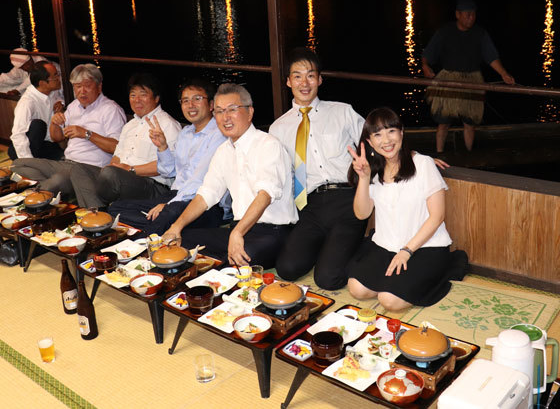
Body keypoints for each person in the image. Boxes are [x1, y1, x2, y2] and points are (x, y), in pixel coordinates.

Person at [160, 84, 297, 268]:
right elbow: (206, 195)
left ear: (249, 112)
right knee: (182, 240)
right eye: (219, 111)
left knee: (235, 261)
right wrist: (176, 226)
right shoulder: (223, 151)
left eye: (232, 109)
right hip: (238, 228)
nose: (225, 117)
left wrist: (237, 233)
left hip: (273, 231)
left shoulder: (268, 145)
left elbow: (265, 195)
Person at [346, 107, 462, 312]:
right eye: (378, 135)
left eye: (391, 131)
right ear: (370, 142)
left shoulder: (423, 164)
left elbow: (437, 216)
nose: (386, 140)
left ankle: (443, 271)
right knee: (357, 289)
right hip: (386, 245)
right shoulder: (374, 170)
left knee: (389, 300)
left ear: (401, 132)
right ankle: (397, 280)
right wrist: (364, 178)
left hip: (425, 246)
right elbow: (361, 213)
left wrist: (406, 251)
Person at [270, 48, 367, 290]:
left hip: (348, 198)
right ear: (288, 81)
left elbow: (375, 140)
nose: (304, 83)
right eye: (297, 76)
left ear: (320, 79)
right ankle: (332, 248)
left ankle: (365, 247)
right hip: (311, 205)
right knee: (287, 269)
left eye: (310, 75)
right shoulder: (278, 128)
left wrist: (413, 155)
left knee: (327, 279)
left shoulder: (342, 111)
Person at [108, 79, 230, 236]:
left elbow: (198, 181)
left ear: (211, 104)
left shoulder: (219, 135)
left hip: (207, 203)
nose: (191, 105)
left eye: (197, 99)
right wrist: (163, 147)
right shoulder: (186, 133)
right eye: (185, 100)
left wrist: (168, 204)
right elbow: (169, 171)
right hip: (177, 194)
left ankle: (144, 241)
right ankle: (158, 227)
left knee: (169, 212)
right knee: (116, 208)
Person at [11, 63, 126, 206]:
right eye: (77, 86)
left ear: (99, 86)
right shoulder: (73, 106)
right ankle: (61, 188)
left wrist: (87, 134)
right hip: (67, 162)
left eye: (87, 86)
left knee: (53, 184)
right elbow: (57, 138)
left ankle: (44, 192)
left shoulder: (111, 110)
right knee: (17, 165)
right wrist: (54, 123)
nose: (82, 91)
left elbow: (117, 147)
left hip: (89, 168)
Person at [421, 0, 515, 152]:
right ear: (458, 14)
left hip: (473, 79)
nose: (471, 18)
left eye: (473, 14)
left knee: (470, 123)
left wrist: (504, 74)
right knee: (443, 122)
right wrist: (425, 66)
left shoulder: (480, 33)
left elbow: (491, 57)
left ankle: (468, 153)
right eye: (467, 14)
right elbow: (428, 53)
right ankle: (439, 154)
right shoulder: (445, 31)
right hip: (448, 79)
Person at [91, 72, 181, 206]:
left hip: (154, 186)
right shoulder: (129, 126)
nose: (137, 100)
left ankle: (101, 210)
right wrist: (112, 169)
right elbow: (117, 157)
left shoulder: (168, 124)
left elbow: (171, 165)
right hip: (125, 180)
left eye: (143, 95)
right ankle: (97, 212)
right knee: (84, 172)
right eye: (133, 95)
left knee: (109, 176)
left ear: (156, 98)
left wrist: (130, 169)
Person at [8, 61, 64, 160]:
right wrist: (28, 161)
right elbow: (18, 135)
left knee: (63, 157)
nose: (58, 78)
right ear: (42, 83)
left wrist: (61, 103)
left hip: (44, 143)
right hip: (24, 147)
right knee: (38, 125)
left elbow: (60, 98)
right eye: (55, 76)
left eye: (58, 74)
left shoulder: (51, 92)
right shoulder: (27, 102)